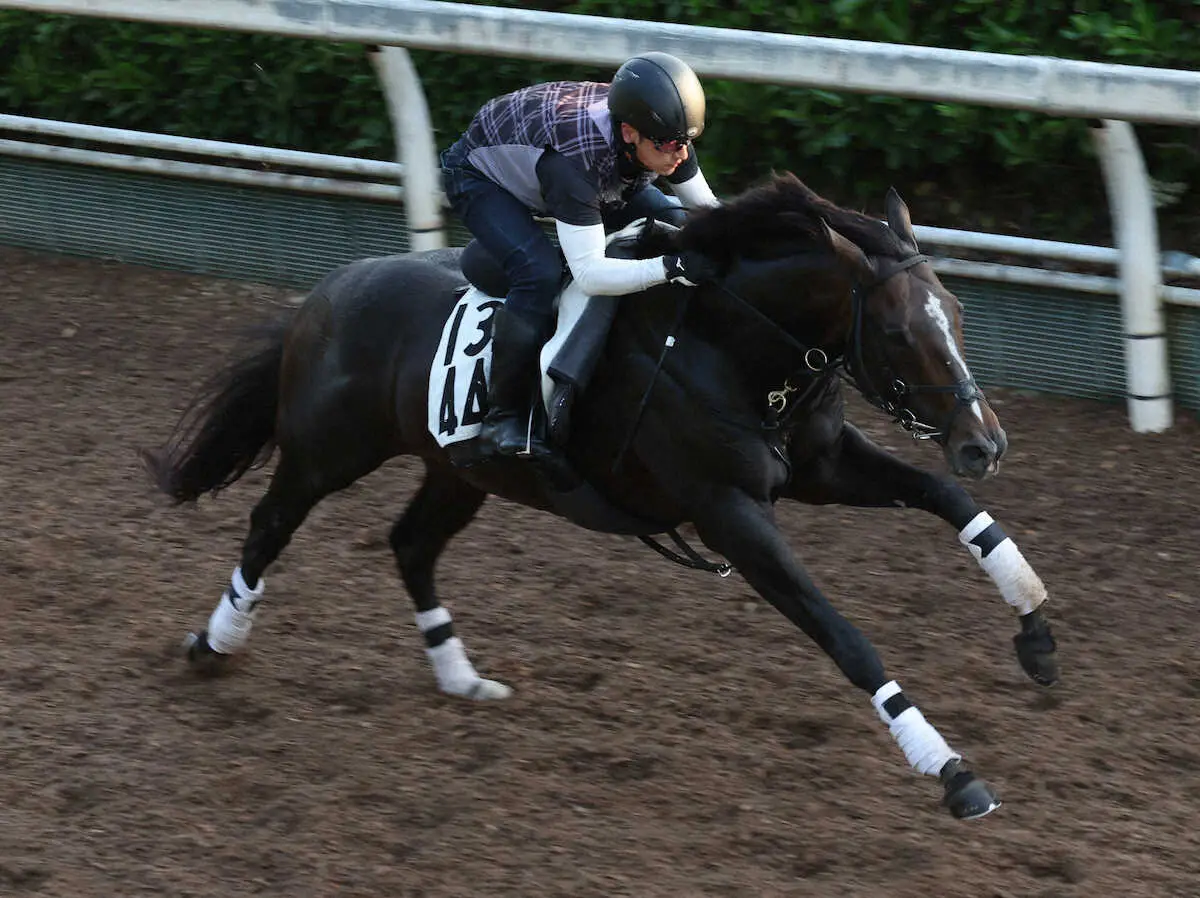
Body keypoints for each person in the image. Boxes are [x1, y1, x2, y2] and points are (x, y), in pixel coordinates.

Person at [440, 51, 721, 463]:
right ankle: (503, 418)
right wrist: (670, 268)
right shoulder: (576, 163)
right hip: (480, 176)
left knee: (671, 218)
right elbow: (589, 275)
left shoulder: (663, 131)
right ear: (629, 133)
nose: (681, 155)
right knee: (538, 273)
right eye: (670, 145)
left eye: (689, 142)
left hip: (578, 166)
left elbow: (706, 211)